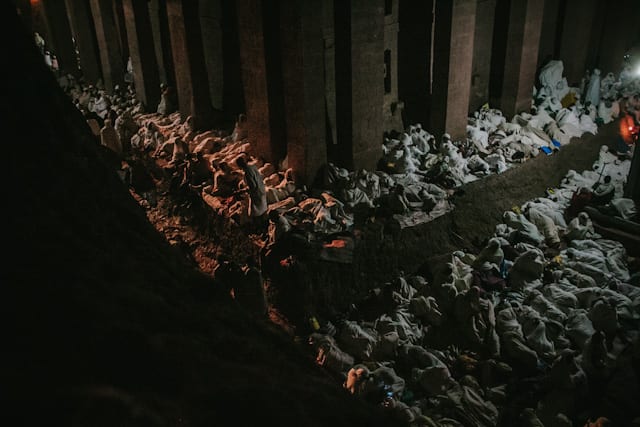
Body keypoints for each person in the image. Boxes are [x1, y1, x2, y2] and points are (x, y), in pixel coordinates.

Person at [236, 156, 268, 220]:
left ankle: (258, 225)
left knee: (255, 212)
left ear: (239, 166)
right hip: (262, 189)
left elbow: (253, 186)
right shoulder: (252, 166)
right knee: (263, 208)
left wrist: (242, 191)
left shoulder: (247, 173)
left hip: (256, 194)